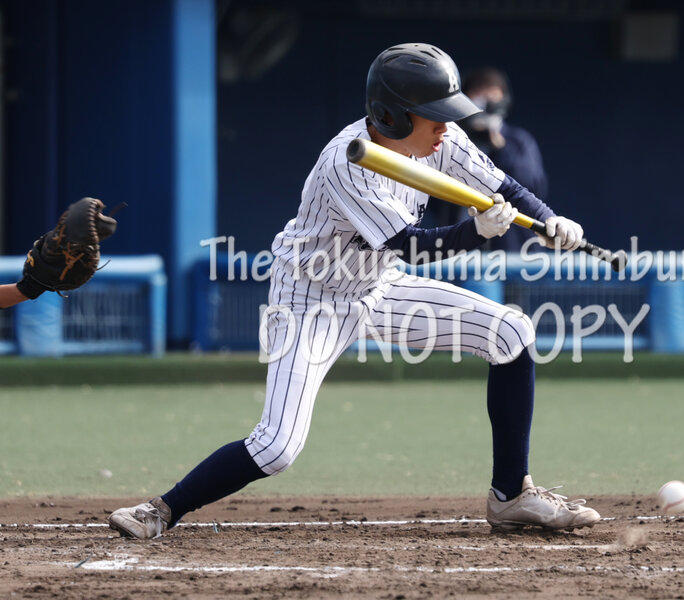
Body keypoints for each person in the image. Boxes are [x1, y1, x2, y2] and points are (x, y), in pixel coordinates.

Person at [107, 43, 598, 539]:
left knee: (511, 332)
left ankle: (511, 496)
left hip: (378, 286)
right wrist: (477, 232)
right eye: (434, 115)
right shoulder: (347, 161)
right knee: (276, 447)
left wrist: (549, 219)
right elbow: (410, 246)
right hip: (310, 298)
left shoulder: (442, 140)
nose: (447, 126)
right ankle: (161, 510)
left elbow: (503, 185)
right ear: (392, 116)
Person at [456, 67, 549, 253]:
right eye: (479, 93)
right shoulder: (456, 140)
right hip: (462, 249)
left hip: (514, 250)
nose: (486, 102)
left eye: (492, 94)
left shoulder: (518, 141)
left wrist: (498, 144)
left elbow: (533, 186)